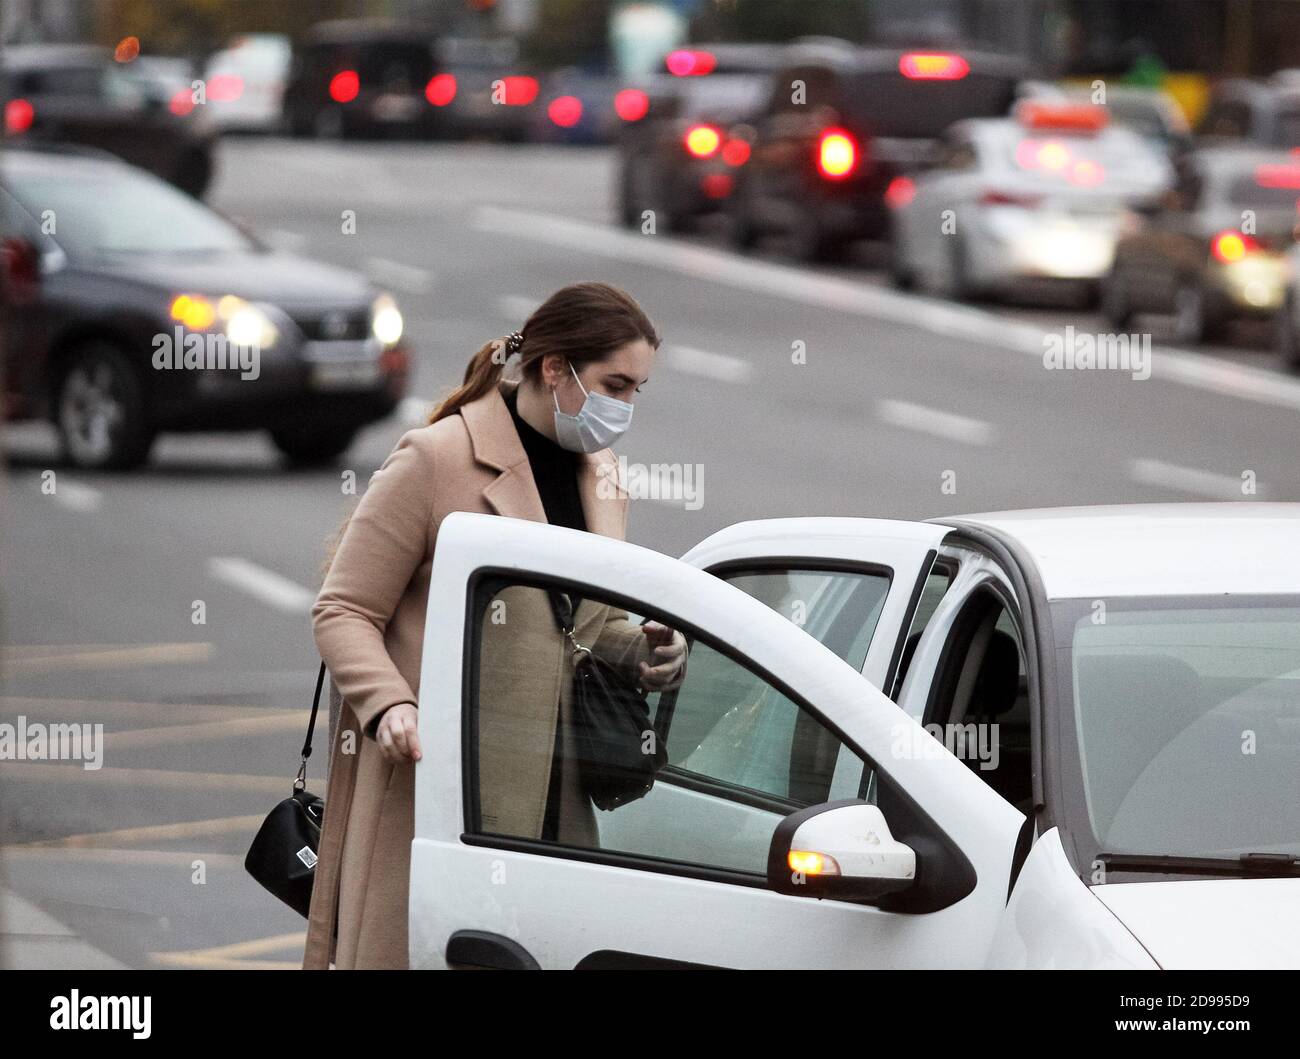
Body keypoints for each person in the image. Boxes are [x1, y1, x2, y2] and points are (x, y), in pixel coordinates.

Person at [301, 281, 687, 970]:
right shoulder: (437, 458)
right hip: (437, 791)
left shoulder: (602, 477)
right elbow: (343, 608)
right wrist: (390, 704)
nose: (624, 408)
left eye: (638, 391)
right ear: (553, 369)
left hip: (555, 804)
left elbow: (586, 628)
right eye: (614, 384)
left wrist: (650, 650)